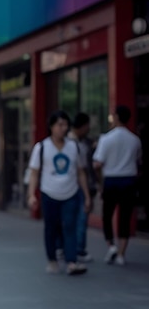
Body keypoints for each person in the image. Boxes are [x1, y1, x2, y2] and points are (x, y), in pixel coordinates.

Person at [27, 110, 91, 275]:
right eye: (59, 124)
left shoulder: (74, 146)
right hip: (49, 193)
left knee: (70, 226)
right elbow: (34, 172)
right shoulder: (41, 147)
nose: (63, 128)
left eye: (65, 125)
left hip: (71, 193)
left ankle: (71, 261)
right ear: (52, 127)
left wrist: (87, 195)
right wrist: (31, 194)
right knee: (51, 228)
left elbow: (81, 172)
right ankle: (52, 259)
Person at [93, 105, 143, 266]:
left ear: (116, 117)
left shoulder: (106, 139)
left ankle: (111, 245)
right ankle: (122, 253)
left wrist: (99, 182)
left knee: (107, 215)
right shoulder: (135, 140)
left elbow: (97, 164)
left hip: (111, 180)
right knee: (125, 217)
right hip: (128, 180)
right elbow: (138, 161)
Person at [68, 112, 96, 262]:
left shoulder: (79, 142)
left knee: (72, 219)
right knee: (80, 218)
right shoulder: (74, 144)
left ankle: (70, 248)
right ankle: (79, 249)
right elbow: (82, 170)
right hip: (75, 186)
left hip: (74, 185)